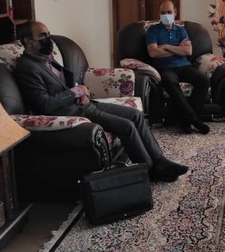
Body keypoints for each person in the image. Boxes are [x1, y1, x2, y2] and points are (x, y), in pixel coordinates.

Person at [14, 21, 188, 183]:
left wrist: (80, 90)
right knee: (126, 126)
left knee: (135, 115)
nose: (48, 39)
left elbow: (63, 84)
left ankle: (160, 160)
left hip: (84, 104)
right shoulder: (27, 67)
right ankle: (149, 170)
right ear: (28, 41)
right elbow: (44, 104)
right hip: (70, 114)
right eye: (42, 36)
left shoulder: (45, 57)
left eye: (48, 34)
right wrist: (75, 92)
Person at [146, 0, 210, 135]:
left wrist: (166, 46)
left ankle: (185, 121)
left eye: (169, 12)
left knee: (203, 80)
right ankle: (194, 120)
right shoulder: (153, 30)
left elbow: (188, 51)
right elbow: (153, 53)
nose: (166, 15)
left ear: (175, 12)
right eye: (163, 12)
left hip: (184, 66)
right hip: (165, 68)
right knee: (170, 82)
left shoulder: (181, 30)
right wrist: (178, 49)